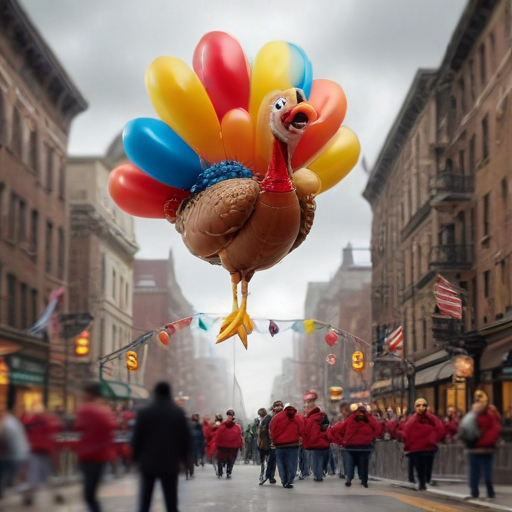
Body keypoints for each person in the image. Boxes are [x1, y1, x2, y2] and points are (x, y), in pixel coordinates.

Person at [131, 381, 191, 512]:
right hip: (170, 463)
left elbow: (137, 438)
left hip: (148, 462)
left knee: (145, 501)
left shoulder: (145, 412)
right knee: (171, 501)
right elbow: (185, 439)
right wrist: (185, 461)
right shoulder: (178, 413)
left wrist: (135, 459)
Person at [73, 382, 116, 512]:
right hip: (103, 454)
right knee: (92, 491)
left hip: (88, 454)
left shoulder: (85, 409)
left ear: (88, 394)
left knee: (89, 493)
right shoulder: (106, 410)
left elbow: (78, 428)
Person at [459, 390, 501, 500]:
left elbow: (495, 429)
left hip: (481, 448)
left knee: (483, 473)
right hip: (478, 448)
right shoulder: (475, 416)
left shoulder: (489, 415)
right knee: (477, 473)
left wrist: (480, 441)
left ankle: (486, 493)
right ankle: (477, 492)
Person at [21, 403, 65, 505]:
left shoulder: (29, 421)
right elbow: (57, 432)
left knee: (33, 475)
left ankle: (29, 497)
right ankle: (57, 494)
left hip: (34, 451)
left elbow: (26, 435)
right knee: (51, 475)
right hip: (48, 451)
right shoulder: (50, 420)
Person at [328, 404, 380, 488]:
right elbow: (378, 429)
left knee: (349, 463)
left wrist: (341, 441)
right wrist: (372, 437)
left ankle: (349, 478)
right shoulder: (369, 419)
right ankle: (364, 480)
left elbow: (339, 429)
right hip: (364, 446)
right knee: (363, 464)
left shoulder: (350, 418)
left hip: (350, 446)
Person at [398, 398, 444, 490]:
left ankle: (425, 480)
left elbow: (439, 429)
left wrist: (435, 439)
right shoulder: (412, 420)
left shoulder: (431, 419)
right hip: (418, 449)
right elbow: (406, 432)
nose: (421, 408)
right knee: (420, 466)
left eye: (423, 405)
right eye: (418, 406)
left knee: (426, 465)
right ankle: (422, 482)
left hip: (427, 447)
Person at [269, 404, 304, 489]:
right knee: (292, 463)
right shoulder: (298, 417)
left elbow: (272, 430)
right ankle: (289, 480)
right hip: (293, 444)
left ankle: (284, 480)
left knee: (281, 463)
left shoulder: (277, 418)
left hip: (280, 445)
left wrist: (273, 440)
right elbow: (302, 429)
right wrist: (300, 437)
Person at [0, 409, 30, 500]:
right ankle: (26, 493)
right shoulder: (13, 421)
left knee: (10, 476)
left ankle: (26, 494)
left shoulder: (7, 424)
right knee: (18, 476)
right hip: (22, 453)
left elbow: (2, 436)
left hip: (14, 455)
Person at [302, 398, 330, 482]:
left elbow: (307, 431)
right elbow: (327, 428)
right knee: (321, 459)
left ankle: (317, 475)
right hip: (323, 441)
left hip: (314, 442)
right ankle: (320, 474)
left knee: (315, 459)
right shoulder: (323, 417)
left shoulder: (310, 419)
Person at [258, 401, 283, 485]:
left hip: (280, 443)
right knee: (269, 460)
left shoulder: (284, 417)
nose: (278, 409)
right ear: (274, 408)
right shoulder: (268, 418)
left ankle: (270, 476)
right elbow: (262, 432)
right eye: (276, 407)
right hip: (269, 443)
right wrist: (264, 443)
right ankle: (266, 476)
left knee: (273, 460)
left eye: (280, 407)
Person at [215, 409, 243, 478]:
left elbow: (218, 435)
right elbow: (239, 437)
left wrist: (216, 444)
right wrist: (240, 445)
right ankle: (228, 471)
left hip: (223, 446)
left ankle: (220, 471)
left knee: (221, 459)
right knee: (230, 460)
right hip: (232, 447)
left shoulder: (222, 425)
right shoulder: (237, 427)